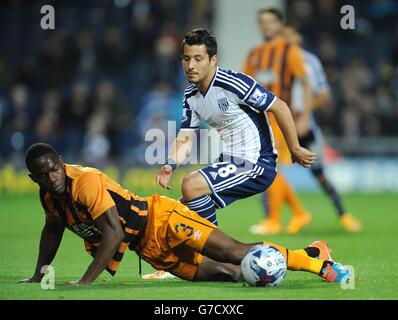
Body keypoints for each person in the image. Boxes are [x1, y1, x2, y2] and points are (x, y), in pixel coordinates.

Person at [19, 143, 350, 285]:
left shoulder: (85, 183)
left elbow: (114, 233)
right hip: (149, 249)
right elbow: (52, 231)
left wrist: (85, 282)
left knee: (235, 251)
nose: (52, 178)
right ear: (35, 179)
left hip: (163, 220)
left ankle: (313, 259)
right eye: (44, 176)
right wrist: (39, 273)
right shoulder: (49, 197)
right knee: (233, 274)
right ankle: (305, 254)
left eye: (54, 170)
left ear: (61, 163)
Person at [282, 26, 362, 232]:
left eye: (287, 34)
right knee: (271, 173)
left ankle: (344, 215)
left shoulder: (309, 62)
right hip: (281, 125)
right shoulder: (276, 61)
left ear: (297, 36)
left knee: (319, 174)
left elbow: (323, 94)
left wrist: (304, 115)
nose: (283, 39)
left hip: (306, 127)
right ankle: (293, 215)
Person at [242, 8, 313, 235]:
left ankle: (273, 220)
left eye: (271, 22)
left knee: (271, 167)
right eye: (262, 22)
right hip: (259, 119)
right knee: (270, 168)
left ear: (280, 25)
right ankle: (299, 213)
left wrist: (305, 116)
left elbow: (306, 84)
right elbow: (244, 82)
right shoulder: (256, 53)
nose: (266, 26)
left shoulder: (289, 51)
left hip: (280, 118)